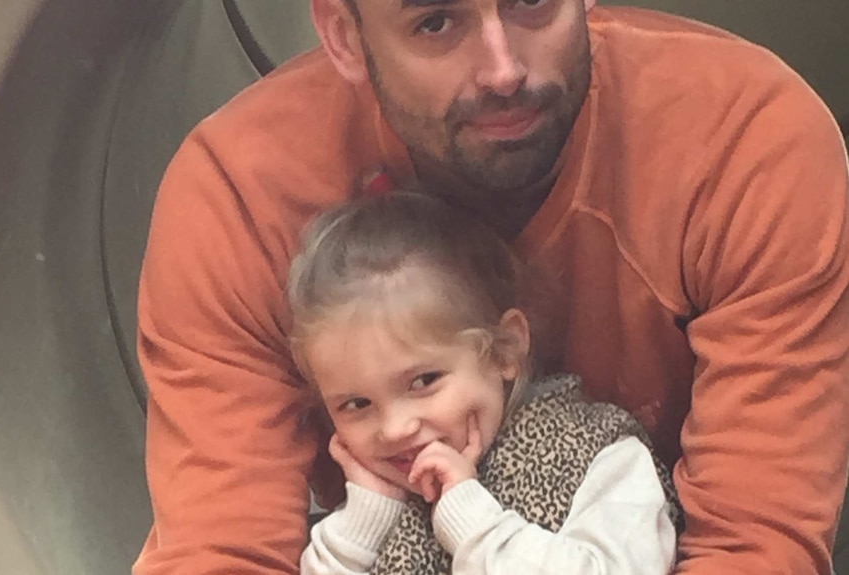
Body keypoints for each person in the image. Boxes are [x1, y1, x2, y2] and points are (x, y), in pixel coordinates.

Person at [132, 1, 849, 574]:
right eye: (436, 22)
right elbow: (222, 549)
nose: (503, 69)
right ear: (344, 36)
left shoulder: (744, 142)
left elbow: (754, 543)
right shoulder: (239, 196)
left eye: (533, 2)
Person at [288, 191, 678, 574]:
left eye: (424, 381)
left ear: (504, 349)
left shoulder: (601, 455)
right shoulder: (369, 513)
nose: (394, 429)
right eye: (356, 404)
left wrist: (472, 521)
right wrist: (365, 519)